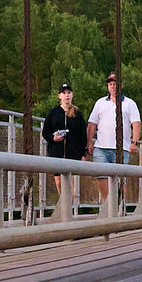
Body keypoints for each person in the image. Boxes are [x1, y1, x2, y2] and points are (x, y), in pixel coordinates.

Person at [86, 68, 140, 210]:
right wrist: (89, 141)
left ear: (121, 85)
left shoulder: (129, 104)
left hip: (121, 148)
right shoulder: (100, 103)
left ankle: (119, 206)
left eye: (115, 84)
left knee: (121, 179)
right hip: (101, 147)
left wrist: (134, 142)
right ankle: (109, 206)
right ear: (108, 86)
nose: (113, 86)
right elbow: (92, 123)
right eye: (110, 84)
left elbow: (136, 123)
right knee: (101, 176)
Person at [41, 81, 90, 220]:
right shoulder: (53, 113)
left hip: (72, 154)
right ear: (59, 96)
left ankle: (67, 210)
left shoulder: (77, 114)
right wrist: (53, 138)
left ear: (72, 95)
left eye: (69, 93)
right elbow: (45, 132)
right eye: (64, 93)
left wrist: (83, 154)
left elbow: (82, 135)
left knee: (69, 182)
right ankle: (64, 207)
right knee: (58, 181)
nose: (67, 95)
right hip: (56, 153)